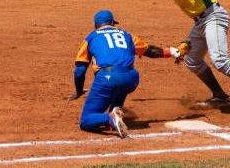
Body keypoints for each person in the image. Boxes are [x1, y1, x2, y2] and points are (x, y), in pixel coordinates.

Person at [67, 9, 183, 138]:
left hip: (108, 78)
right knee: (119, 90)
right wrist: (173, 52)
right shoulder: (127, 35)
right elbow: (150, 51)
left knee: (86, 120)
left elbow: (80, 70)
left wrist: (78, 91)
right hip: (131, 78)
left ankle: (110, 118)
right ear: (112, 23)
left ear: (96, 26)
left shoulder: (91, 37)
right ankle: (115, 114)